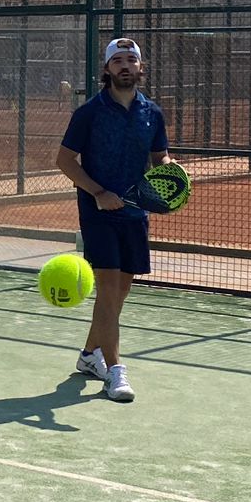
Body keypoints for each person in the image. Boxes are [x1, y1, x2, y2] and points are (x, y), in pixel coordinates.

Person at [53, 39, 173, 404]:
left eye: (131, 60)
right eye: (117, 60)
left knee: (120, 292)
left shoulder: (152, 113)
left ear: (140, 68)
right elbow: (65, 161)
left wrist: (171, 175)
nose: (124, 65)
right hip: (99, 213)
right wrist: (98, 192)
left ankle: (90, 354)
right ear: (107, 69)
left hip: (136, 212)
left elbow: (160, 158)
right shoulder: (89, 112)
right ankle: (115, 371)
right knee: (107, 289)